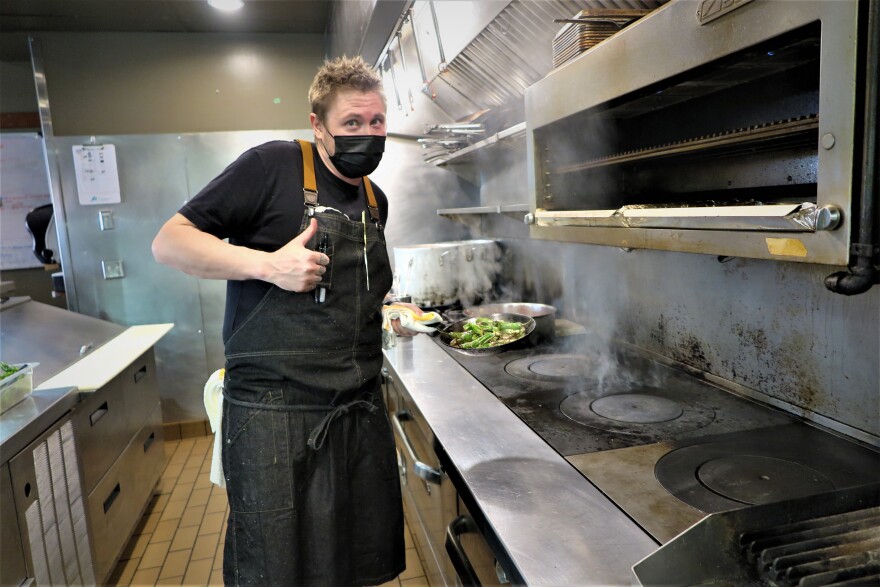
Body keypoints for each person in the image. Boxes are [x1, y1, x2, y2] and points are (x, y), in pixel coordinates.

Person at [152, 55, 422, 586]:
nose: (368, 134)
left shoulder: (375, 198)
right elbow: (169, 242)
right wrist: (267, 265)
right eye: (352, 124)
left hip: (356, 406)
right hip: (275, 411)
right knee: (275, 566)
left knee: (351, 556)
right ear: (318, 126)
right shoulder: (272, 166)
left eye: (377, 122)